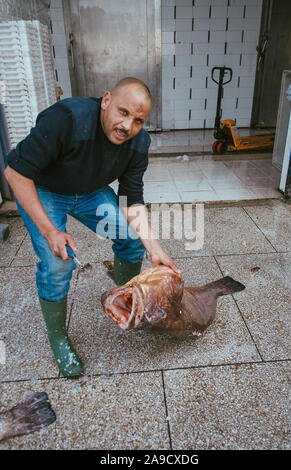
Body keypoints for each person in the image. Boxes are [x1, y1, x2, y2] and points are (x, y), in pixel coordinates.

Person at [4, 77, 181, 378]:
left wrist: (156, 248)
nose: (128, 126)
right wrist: (50, 231)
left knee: (130, 238)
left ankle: (128, 301)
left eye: (138, 120)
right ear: (106, 100)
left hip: (89, 192)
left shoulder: (138, 143)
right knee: (57, 264)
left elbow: (131, 200)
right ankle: (58, 337)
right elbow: (15, 173)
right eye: (123, 112)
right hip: (44, 190)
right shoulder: (66, 120)